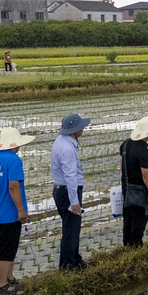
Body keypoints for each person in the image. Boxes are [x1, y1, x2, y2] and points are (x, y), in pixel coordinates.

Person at [0, 127, 33, 295]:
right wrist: (21, 210)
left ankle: (10, 277)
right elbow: (13, 186)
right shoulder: (14, 160)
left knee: (7, 247)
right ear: (16, 144)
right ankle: (3, 286)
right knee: (6, 249)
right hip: (10, 214)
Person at [51, 113, 90, 271]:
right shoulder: (67, 149)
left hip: (61, 190)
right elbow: (70, 177)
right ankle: (67, 267)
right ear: (74, 129)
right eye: (80, 126)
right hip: (68, 192)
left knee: (72, 229)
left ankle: (75, 259)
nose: (83, 128)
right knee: (70, 230)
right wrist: (75, 202)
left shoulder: (61, 141)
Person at [120, 116, 148, 247]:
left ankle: (127, 246)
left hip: (126, 188)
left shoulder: (125, 144)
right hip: (139, 190)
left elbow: (122, 166)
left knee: (128, 219)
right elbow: (145, 174)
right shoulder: (143, 151)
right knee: (139, 219)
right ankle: (136, 246)